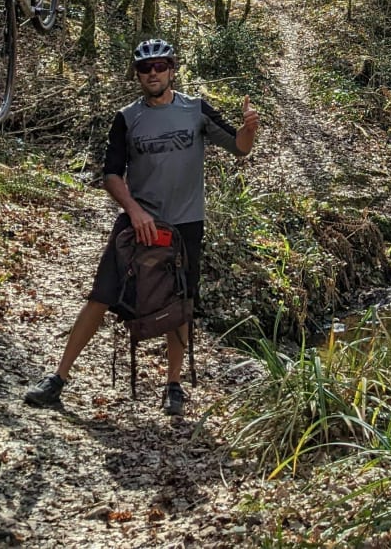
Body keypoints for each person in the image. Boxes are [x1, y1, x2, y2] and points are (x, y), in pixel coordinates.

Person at [23, 37, 259, 416]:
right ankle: (58, 379)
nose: (153, 73)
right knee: (101, 295)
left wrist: (249, 126)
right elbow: (111, 174)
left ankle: (174, 385)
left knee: (179, 303)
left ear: (172, 69)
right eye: (145, 68)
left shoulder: (196, 110)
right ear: (136, 74)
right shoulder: (127, 118)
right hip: (138, 223)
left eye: (160, 66)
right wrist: (133, 210)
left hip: (186, 225)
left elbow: (240, 147)